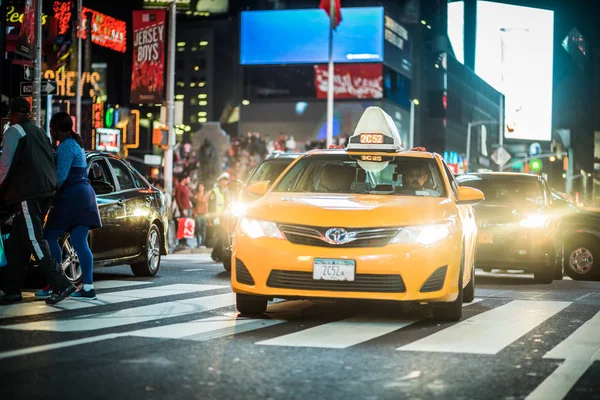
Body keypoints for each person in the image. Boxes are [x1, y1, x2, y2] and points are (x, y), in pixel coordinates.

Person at [0, 98, 76, 304]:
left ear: (12, 113)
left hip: (26, 193)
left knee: (34, 240)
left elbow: (4, 167)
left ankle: (62, 284)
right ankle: (12, 289)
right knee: (18, 242)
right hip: (44, 192)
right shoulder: (39, 131)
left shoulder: (14, 132)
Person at [41, 112, 102, 300]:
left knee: (50, 235)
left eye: (52, 128)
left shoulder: (66, 147)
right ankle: (88, 288)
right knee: (79, 242)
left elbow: (59, 178)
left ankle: (56, 283)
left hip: (72, 196)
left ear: (56, 129)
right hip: (85, 196)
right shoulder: (76, 145)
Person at [208, 173, 230, 262]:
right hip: (218, 217)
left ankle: (218, 254)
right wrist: (212, 218)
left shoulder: (228, 191)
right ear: (220, 181)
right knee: (222, 236)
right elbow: (211, 206)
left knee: (223, 236)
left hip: (227, 217)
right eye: (224, 180)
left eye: (227, 180)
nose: (226, 182)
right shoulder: (215, 191)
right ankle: (216, 254)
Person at [175, 175, 192, 248]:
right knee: (182, 226)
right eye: (188, 179)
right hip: (183, 209)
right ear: (184, 179)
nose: (189, 181)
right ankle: (181, 242)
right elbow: (178, 199)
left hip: (188, 208)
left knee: (186, 226)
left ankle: (185, 241)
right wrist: (182, 209)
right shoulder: (179, 187)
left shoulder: (186, 187)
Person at [193, 184, 208, 248]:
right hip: (198, 214)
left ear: (204, 187)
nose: (200, 188)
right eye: (199, 187)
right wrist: (194, 213)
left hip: (204, 214)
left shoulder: (206, 195)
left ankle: (203, 243)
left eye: (202, 186)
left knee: (203, 229)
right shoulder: (195, 195)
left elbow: (206, 203)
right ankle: (198, 243)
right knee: (198, 229)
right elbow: (193, 205)